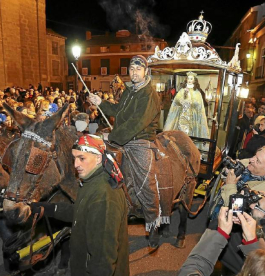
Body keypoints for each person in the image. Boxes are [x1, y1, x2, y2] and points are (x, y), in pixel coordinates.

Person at [30, 135, 129, 276]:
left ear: (98, 158)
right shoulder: (91, 180)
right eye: (75, 158)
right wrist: (48, 208)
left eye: (82, 158)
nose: (76, 164)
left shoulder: (103, 196)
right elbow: (81, 212)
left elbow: (103, 259)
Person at [89, 55, 163, 231]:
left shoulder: (149, 94)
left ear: (146, 72)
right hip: (123, 136)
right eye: (131, 69)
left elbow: (136, 123)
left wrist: (113, 137)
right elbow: (118, 111)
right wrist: (101, 103)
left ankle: (153, 220)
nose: (134, 72)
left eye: (138, 69)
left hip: (141, 139)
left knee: (147, 181)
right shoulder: (130, 90)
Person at [163, 72, 209, 139]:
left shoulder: (197, 92)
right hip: (181, 116)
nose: (189, 80)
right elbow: (176, 102)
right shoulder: (181, 91)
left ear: (194, 80)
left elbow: (199, 105)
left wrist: (191, 103)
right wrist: (182, 102)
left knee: (190, 135)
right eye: (188, 79)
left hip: (192, 118)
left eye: (191, 79)